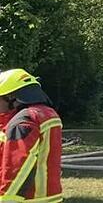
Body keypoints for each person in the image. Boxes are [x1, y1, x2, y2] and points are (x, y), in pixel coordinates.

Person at [0, 69, 63, 202]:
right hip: (50, 196)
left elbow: (18, 165)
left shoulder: (23, 121)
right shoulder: (47, 114)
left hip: (28, 198)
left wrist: (7, 199)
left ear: (11, 96)